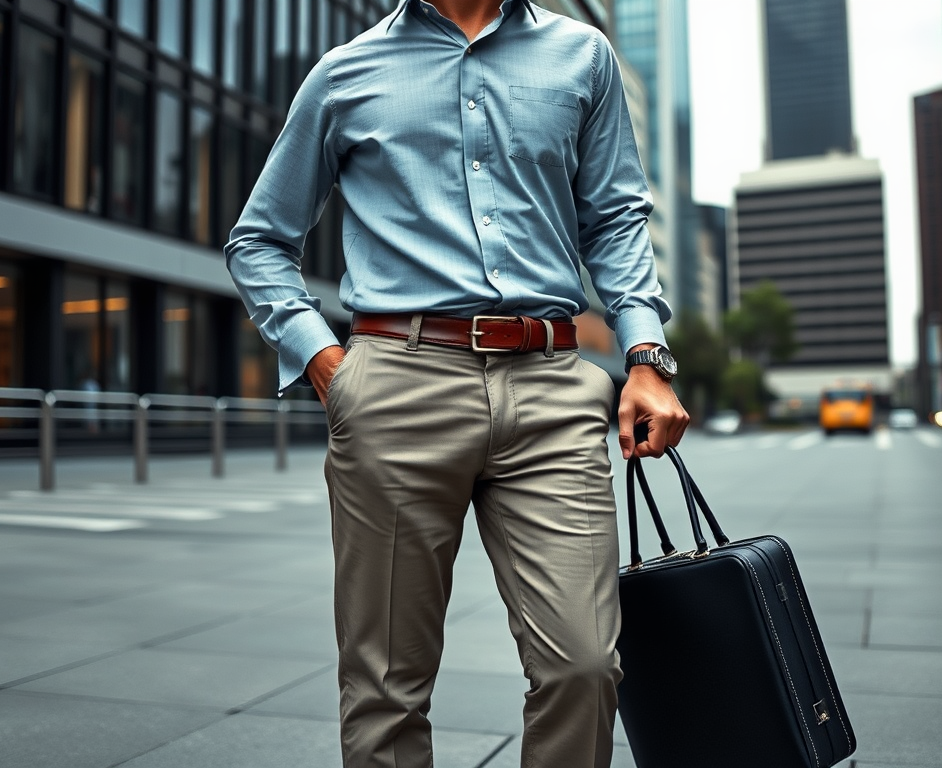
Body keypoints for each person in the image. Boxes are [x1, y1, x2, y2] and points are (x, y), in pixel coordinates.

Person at [225, 1, 689, 765]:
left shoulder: (582, 55)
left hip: (550, 383)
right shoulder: (345, 73)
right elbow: (260, 240)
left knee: (584, 664)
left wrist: (646, 355)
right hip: (396, 384)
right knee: (385, 688)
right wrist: (328, 365)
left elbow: (614, 218)